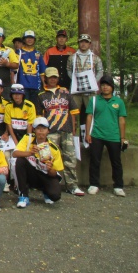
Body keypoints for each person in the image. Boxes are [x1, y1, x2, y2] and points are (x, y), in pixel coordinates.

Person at [35, 67, 83, 196]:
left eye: (55, 77)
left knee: (70, 158)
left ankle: (72, 185)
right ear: (46, 78)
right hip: (50, 131)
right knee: (48, 159)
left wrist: (74, 128)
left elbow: (73, 112)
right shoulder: (41, 95)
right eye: (50, 77)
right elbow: (39, 116)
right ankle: (49, 184)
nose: (52, 79)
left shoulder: (66, 93)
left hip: (66, 130)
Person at [85, 75, 128, 197]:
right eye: (103, 85)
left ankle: (118, 186)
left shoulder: (118, 102)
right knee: (94, 160)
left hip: (113, 136)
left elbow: (121, 120)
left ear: (112, 87)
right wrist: (88, 133)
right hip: (96, 134)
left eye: (108, 85)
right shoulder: (94, 100)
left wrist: (122, 137)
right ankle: (94, 184)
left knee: (116, 162)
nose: (105, 87)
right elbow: (89, 116)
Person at [12, 117, 64, 208]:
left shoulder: (54, 148)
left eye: (44, 129)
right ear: (34, 130)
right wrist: (30, 153)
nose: (41, 131)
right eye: (38, 129)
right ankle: (23, 195)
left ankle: (46, 191)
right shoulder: (27, 138)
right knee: (20, 160)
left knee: (55, 196)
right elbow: (15, 154)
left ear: (48, 131)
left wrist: (50, 168)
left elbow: (55, 173)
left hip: (45, 175)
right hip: (31, 173)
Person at [67, 34, 104, 128]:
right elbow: (68, 70)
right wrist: (74, 80)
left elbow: (100, 71)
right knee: (73, 114)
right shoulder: (72, 57)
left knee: (92, 114)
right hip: (76, 91)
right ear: (78, 43)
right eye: (81, 42)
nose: (83, 44)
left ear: (89, 44)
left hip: (90, 91)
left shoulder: (95, 58)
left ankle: (91, 137)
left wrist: (93, 81)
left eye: (86, 42)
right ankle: (73, 137)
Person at [16, 30, 46, 102]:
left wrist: (44, 84)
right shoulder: (18, 52)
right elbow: (13, 70)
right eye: (27, 38)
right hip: (22, 86)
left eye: (31, 38)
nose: (29, 40)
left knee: (35, 108)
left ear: (34, 40)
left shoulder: (38, 54)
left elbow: (42, 72)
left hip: (36, 86)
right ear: (24, 39)